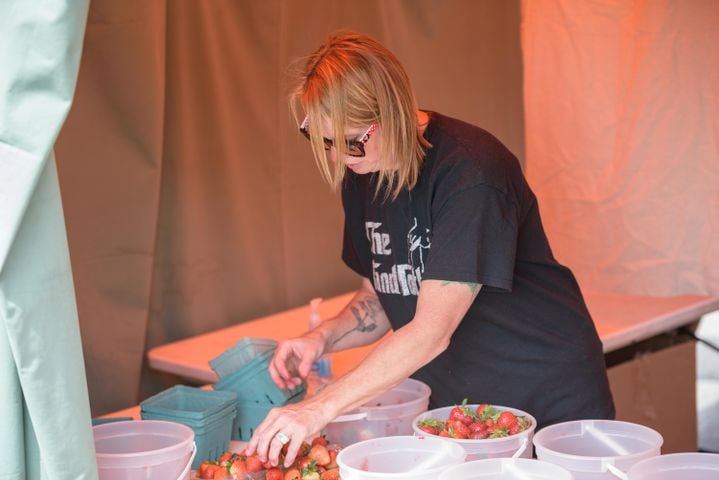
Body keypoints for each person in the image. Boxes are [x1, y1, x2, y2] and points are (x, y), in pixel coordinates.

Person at [245, 31, 615, 467]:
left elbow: (431, 330)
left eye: (350, 141)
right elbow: (382, 294)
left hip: (542, 394)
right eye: (320, 139)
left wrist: (318, 408)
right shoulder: (362, 170)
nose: (336, 157)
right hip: (461, 409)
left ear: (394, 114)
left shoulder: (471, 173)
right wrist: (320, 338)